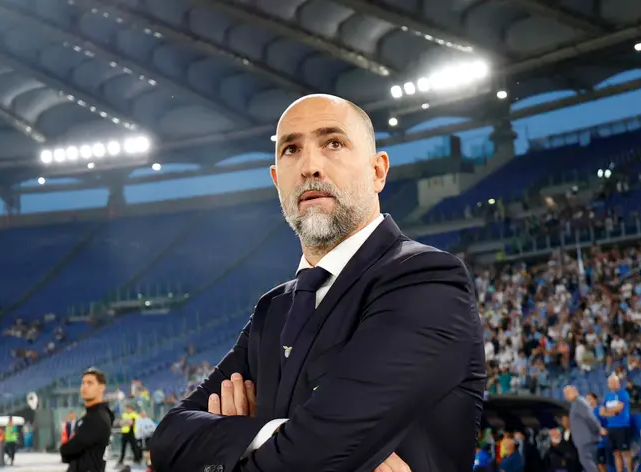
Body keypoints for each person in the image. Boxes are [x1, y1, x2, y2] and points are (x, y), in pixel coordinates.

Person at [150, 94, 487, 472]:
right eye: (291, 149)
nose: (310, 166)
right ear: (277, 180)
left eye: (334, 143)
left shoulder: (425, 280)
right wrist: (276, 435)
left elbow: (316, 453)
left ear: (378, 171)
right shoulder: (273, 308)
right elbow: (166, 441)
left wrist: (235, 440)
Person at [60, 367, 114, 472]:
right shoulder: (91, 415)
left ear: (101, 387)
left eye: (90, 383)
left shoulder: (98, 418)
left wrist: (66, 450)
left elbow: (67, 450)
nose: (84, 387)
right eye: (83, 383)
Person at [564, 386, 604, 472]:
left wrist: (597, 429)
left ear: (575, 391)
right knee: (589, 463)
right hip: (584, 440)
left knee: (587, 462)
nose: (566, 396)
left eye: (568, 393)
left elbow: (590, 418)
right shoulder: (576, 403)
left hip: (586, 440)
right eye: (565, 394)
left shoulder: (579, 402)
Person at [600, 375, 632, 472]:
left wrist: (607, 411)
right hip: (611, 427)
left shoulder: (623, 394)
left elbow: (619, 408)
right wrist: (611, 412)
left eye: (615, 382)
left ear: (618, 383)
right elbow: (601, 412)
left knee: (625, 452)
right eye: (611, 382)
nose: (613, 384)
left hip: (622, 427)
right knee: (616, 453)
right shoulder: (607, 396)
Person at [586, 392, 610, 472]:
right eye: (587, 399)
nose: (588, 401)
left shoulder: (600, 410)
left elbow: (604, 425)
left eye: (590, 399)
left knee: (601, 464)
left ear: (595, 399)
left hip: (600, 442)